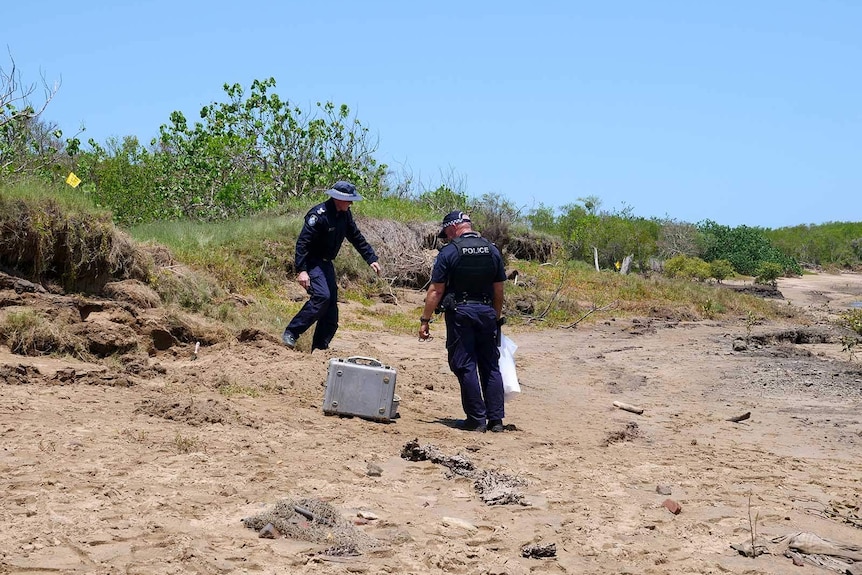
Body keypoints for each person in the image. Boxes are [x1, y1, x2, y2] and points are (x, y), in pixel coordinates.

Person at [419, 210, 507, 433]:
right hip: (487, 312)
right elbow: (499, 290)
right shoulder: (492, 250)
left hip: (461, 313)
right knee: (490, 365)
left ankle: (476, 419)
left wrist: (425, 320)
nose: (447, 237)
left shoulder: (450, 252)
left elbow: (436, 291)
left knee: (464, 364)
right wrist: (495, 318)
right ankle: (496, 421)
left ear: (452, 228)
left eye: (446, 233)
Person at [282, 181, 381, 350]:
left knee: (331, 309)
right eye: (349, 200)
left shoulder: (345, 215)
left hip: (326, 264)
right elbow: (302, 244)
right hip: (312, 262)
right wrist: (302, 270)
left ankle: (320, 347)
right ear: (337, 198)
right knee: (322, 297)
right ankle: (291, 332)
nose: (351, 204)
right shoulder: (318, 215)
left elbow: (356, 237)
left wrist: (371, 258)